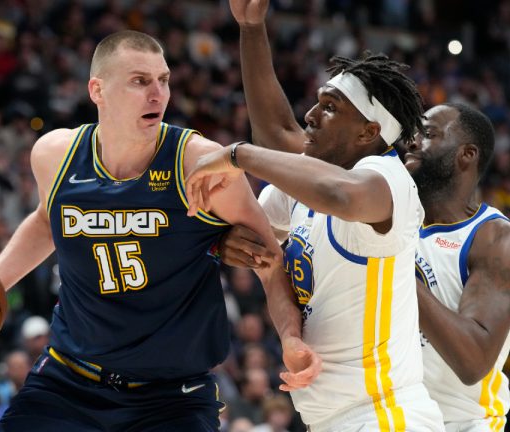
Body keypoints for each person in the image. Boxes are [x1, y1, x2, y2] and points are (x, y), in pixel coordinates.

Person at [0, 30, 318, 431]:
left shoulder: (200, 165)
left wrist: (290, 338)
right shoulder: (55, 155)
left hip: (171, 397)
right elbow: (49, 220)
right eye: (139, 81)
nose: (158, 94)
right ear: (97, 90)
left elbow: (270, 263)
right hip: (68, 381)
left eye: (163, 80)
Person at [185, 0, 444, 430]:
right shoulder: (308, 186)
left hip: (385, 416)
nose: (310, 115)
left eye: (330, 107)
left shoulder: (388, 180)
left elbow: (337, 194)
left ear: (369, 132)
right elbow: (277, 138)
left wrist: (238, 155)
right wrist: (251, 28)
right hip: (328, 418)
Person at [406, 103, 510, 431]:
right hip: (393, 417)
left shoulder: (495, 239)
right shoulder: (395, 218)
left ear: (467, 154)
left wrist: (392, 265)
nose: (413, 141)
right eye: (413, 133)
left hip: (462, 424)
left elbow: (473, 359)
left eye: (428, 134)